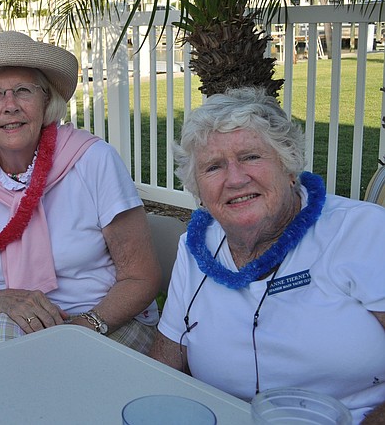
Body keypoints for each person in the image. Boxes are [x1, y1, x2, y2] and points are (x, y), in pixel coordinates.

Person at [150, 87, 385, 423]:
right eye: (214, 167)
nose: (235, 178)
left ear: (289, 167)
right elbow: (167, 358)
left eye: (251, 157)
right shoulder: (196, 248)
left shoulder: (363, 232)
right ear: (198, 191)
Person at [0, 31, 161, 354]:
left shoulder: (94, 160)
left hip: (105, 320)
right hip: (11, 324)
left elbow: (141, 277)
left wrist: (82, 328)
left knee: (64, 373)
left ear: (46, 101)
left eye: (23, 91)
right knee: (1, 344)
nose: (10, 106)